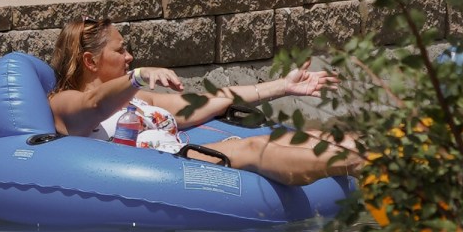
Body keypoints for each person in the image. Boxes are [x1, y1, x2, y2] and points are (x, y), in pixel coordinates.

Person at [45, 18, 358, 185]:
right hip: (160, 173)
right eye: (120, 51)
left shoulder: (138, 98)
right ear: (90, 60)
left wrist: (283, 87)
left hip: (180, 157)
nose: (129, 57)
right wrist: (137, 75)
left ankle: (387, 152)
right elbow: (95, 105)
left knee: (304, 137)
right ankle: (372, 167)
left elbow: (210, 101)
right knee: (248, 148)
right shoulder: (64, 103)